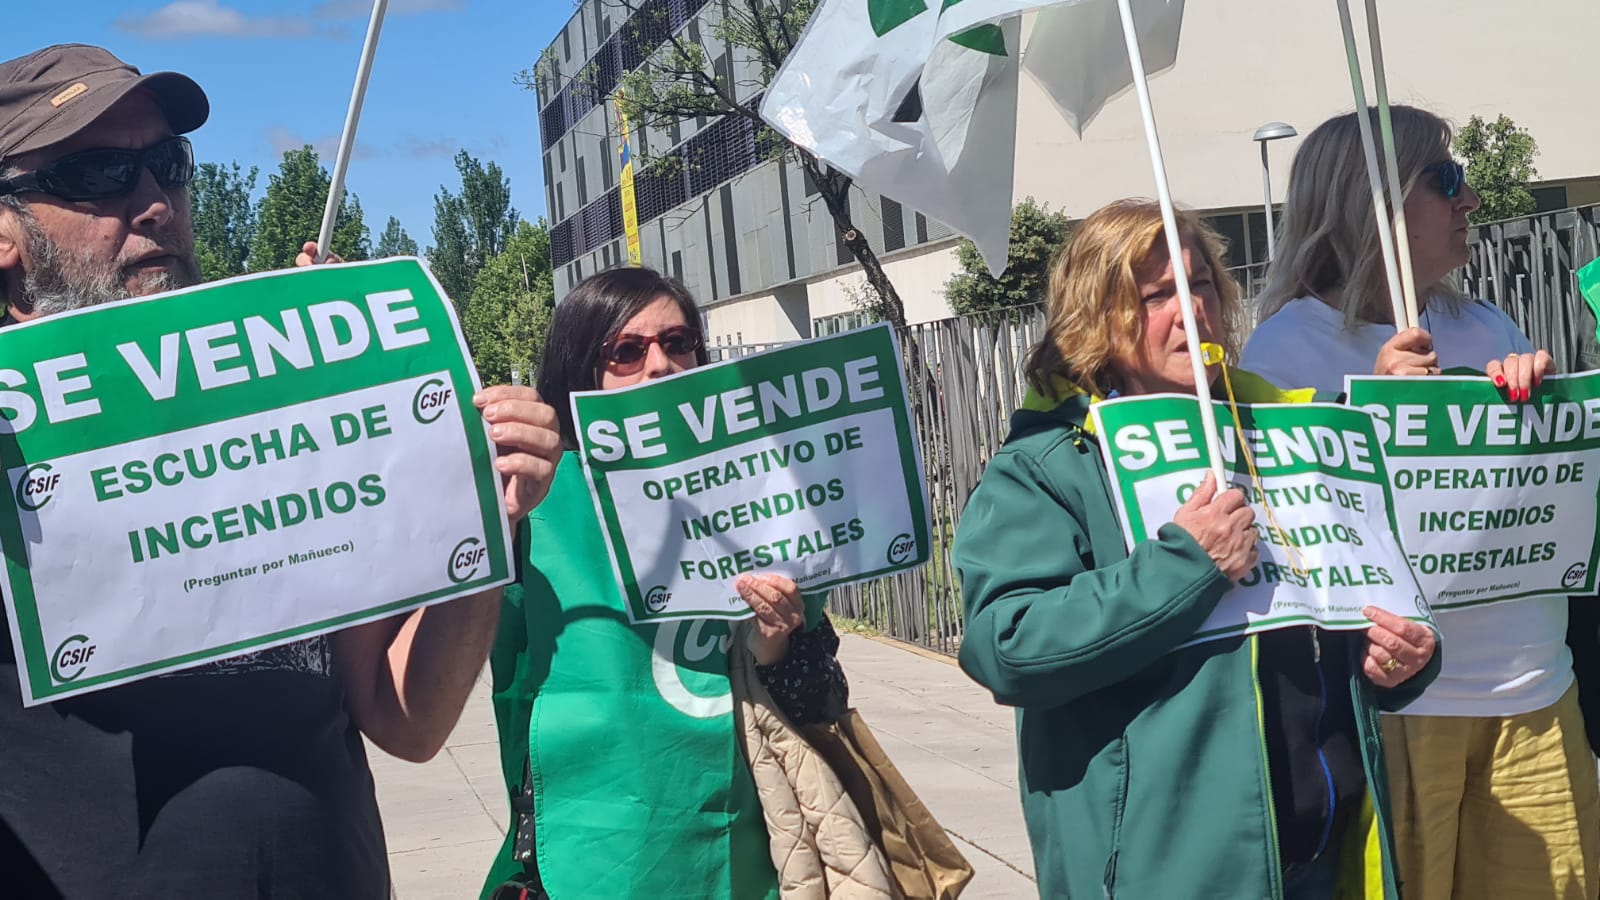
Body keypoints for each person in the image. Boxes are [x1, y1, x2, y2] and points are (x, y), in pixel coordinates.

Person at [0, 44, 564, 897]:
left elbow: (405, 719)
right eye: (100, 172)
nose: (154, 201)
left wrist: (489, 513)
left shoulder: (284, 414)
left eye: (167, 163)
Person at [953, 199, 1440, 899]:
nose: (1191, 310)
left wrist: (1404, 660)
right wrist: (1185, 564)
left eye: (1201, 284)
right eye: (1157, 296)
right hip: (1171, 871)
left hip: (1326, 859)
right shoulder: (1048, 462)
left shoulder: (1286, 431)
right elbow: (1006, 646)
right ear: (1097, 316)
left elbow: (1351, 613)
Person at [1242, 106, 1598, 900]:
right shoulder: (1283, 349)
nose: (1470, 199)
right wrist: (1372, 412)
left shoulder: (1486, 324)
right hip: (1404, 707)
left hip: (1536, 684)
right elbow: (1294, 542)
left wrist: (1541, 412)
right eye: (1447, 179)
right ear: (1370, 205)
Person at [481, 266, 850, 900]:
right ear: (580, 371)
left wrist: (777, 642)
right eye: (627, 351)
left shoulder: (760, 499)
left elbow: (820, 701)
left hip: (743, 854)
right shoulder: (530, 502)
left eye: (678, 343)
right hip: (587, 856)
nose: (659, 364)